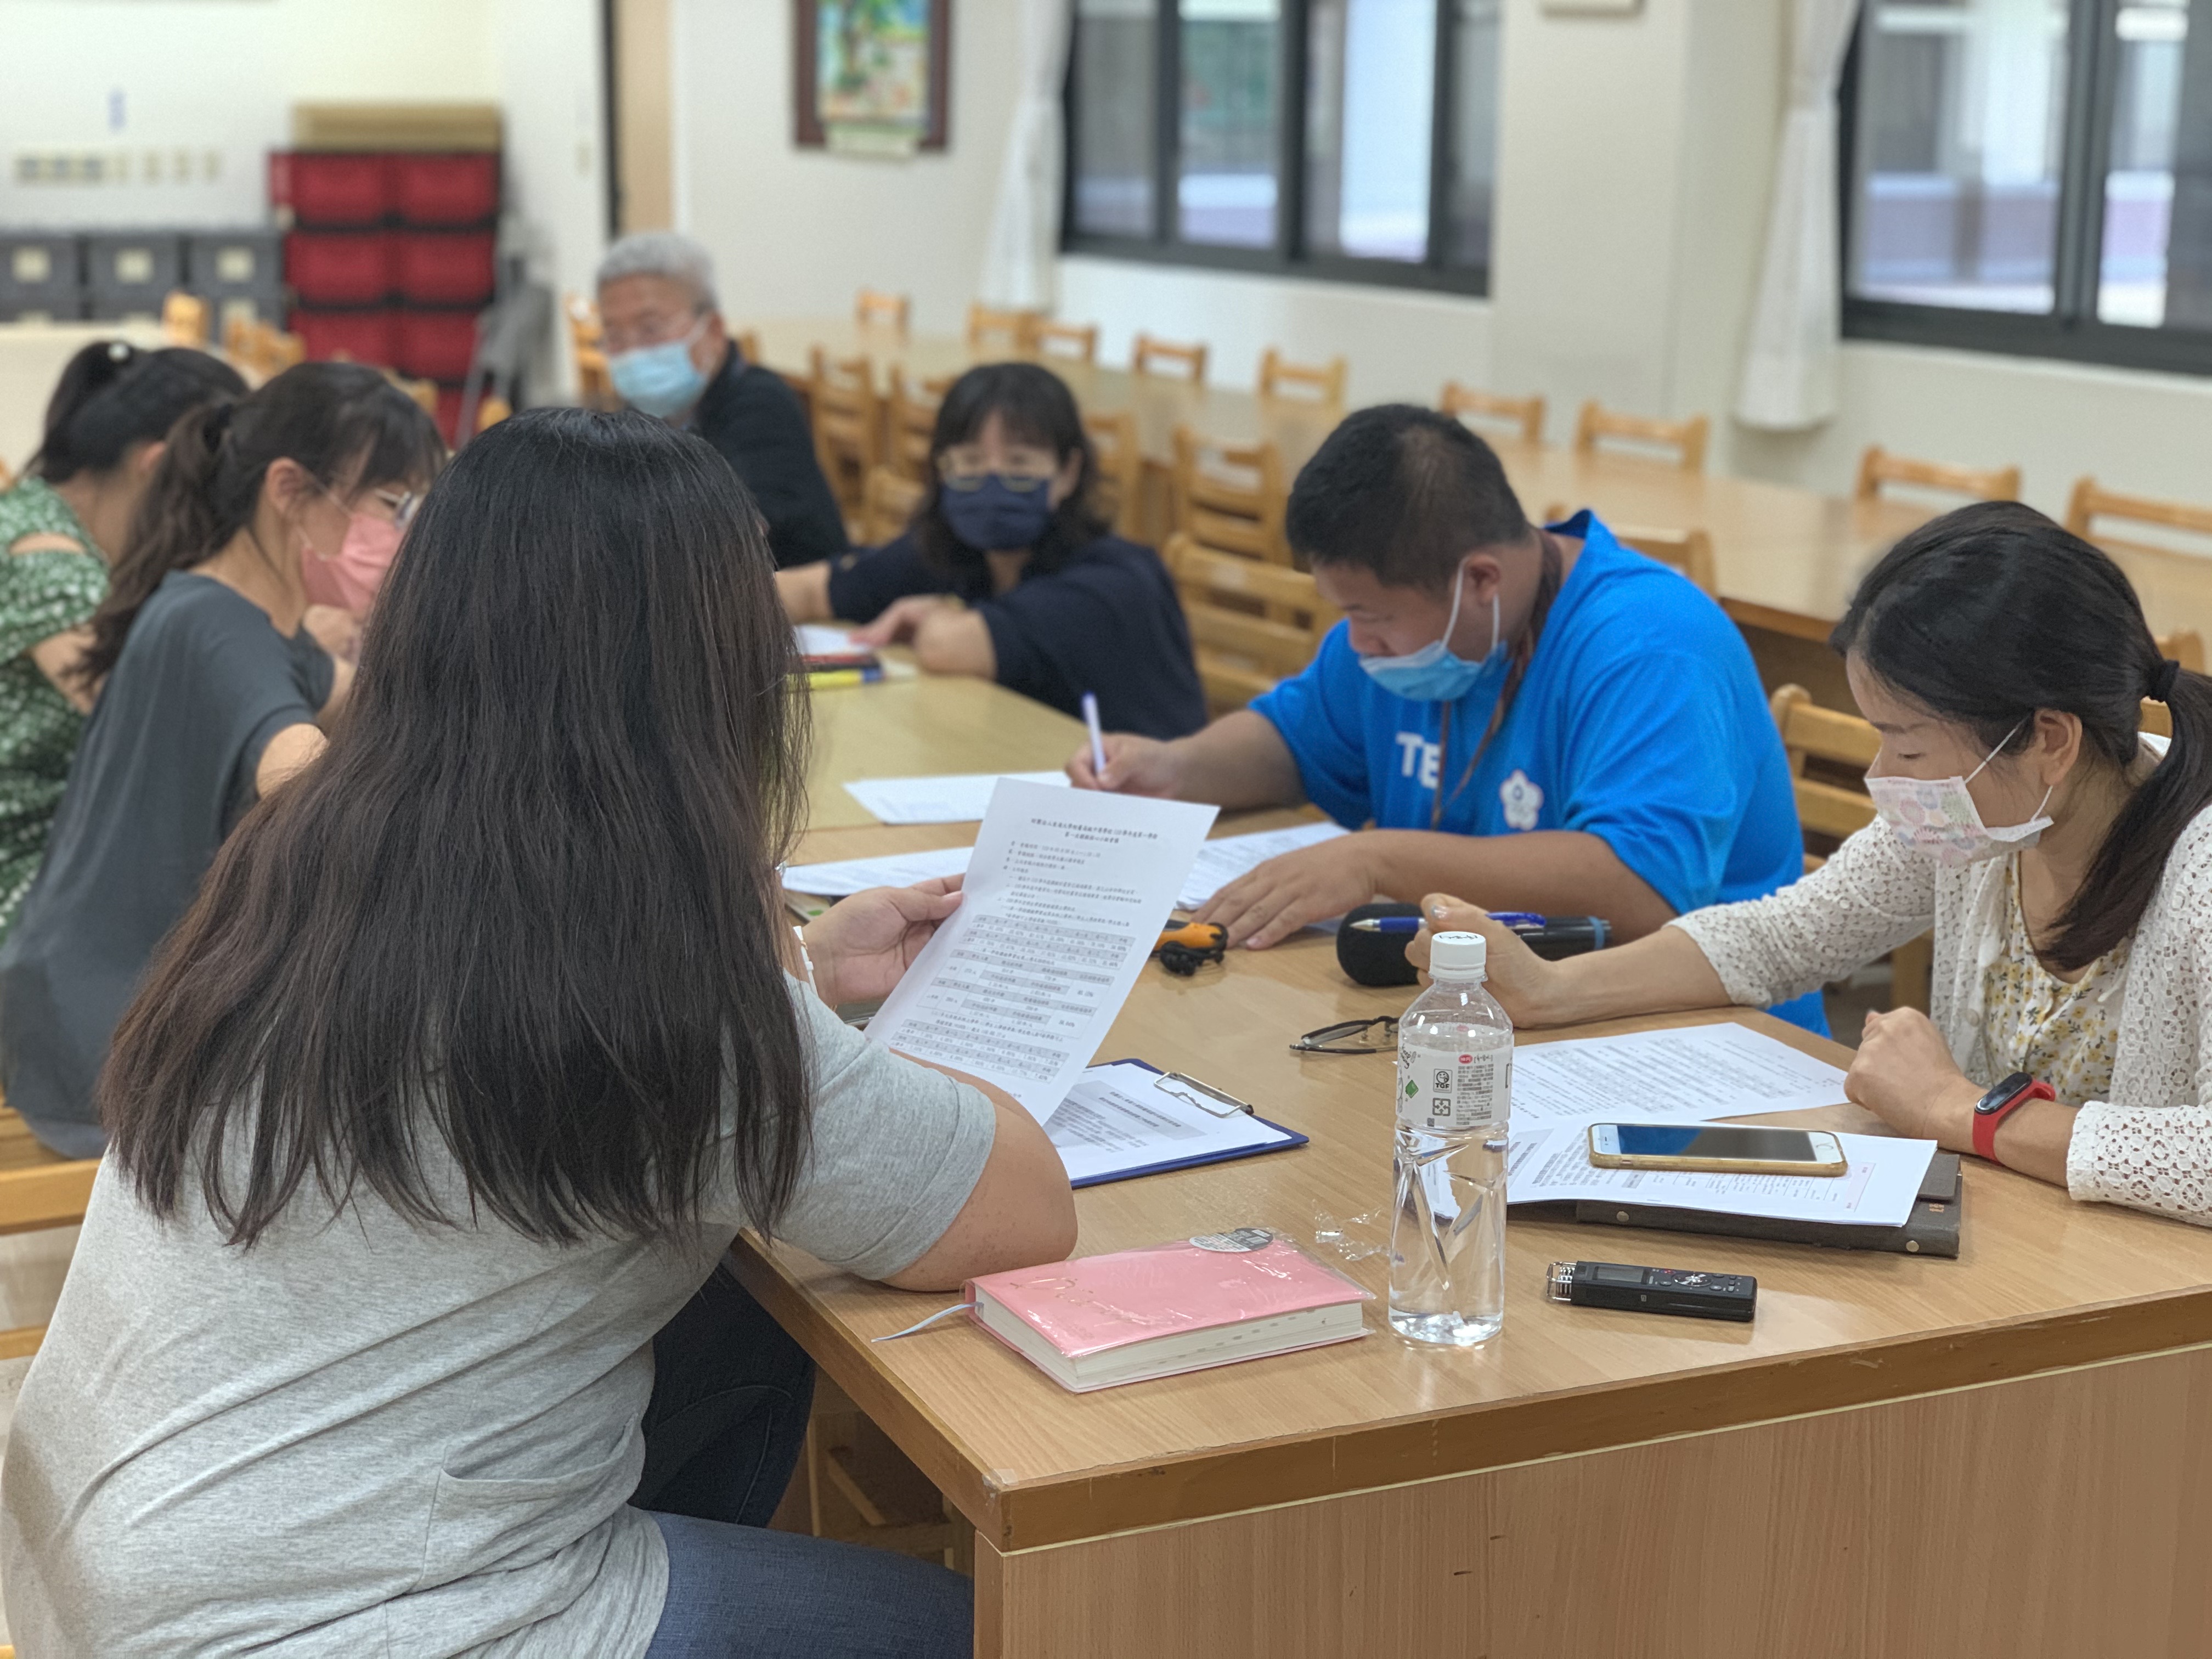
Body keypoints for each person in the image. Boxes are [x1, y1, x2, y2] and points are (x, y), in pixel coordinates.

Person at [0, 408, 1076, 1657]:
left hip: (117, 1565)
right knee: (1001, 1627)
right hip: (338, 1620)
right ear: (713, 672)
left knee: (740, 1325)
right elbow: (1023, 1207)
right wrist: (778, 984)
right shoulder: (642, 961)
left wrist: (799, 972)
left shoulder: (315, 845)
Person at [1410, 501, 2212, 1224]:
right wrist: (1549, 989)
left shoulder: (2197, 873)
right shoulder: (1993, 825)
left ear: (2049, 740)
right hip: (2020, 1243)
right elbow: (1784, 936)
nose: (1882, 774)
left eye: (1907, 746)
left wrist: (1957, 1108)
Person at [1069, 404, 1821, 1029]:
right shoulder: (1416, 631)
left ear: (1480, 579)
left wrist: (1377, 860)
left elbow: (1639, 890)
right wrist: (1177, 767)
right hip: (1483, 1011)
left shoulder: (1651, 644)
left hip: (1693, 1032)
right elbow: (1295, 741)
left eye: (1372, 617)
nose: (1357, 643)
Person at [0, 361, 444, 1156]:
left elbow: (370, 696)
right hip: (109, 1045)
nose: (399, 535)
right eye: (390, 504)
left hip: (85, 1005)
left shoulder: (227, 609)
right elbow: (297, 775)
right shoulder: (217, 628)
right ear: (290, 490)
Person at [777, 362, 1207, 740]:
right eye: (970, 461)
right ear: (942, 469)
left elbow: (948, 648)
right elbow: (811, 589)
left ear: (1068, 472)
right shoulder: (961, 549)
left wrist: (940, 614)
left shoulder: (1115, 580)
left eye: (1019, 463)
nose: (992, 481)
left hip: (1145, 799)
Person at [0, 340, 245, 938]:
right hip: (28, 877)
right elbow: (146, 716)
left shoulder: (46, 518)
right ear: (157, 466)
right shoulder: (42, 557)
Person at [596, 232, 847, 569]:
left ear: (713, 330)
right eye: (614, 335)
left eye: (651, 328)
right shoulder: (638, 416)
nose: (632, 351)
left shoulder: (761, 404)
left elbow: (747, 532)